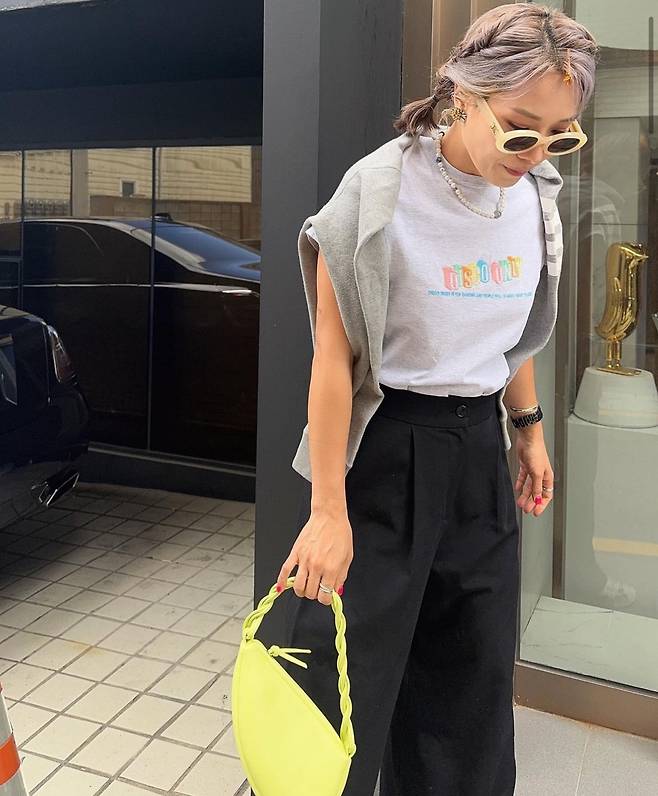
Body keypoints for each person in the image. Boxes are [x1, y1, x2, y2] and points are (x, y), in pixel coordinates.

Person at [277, 4, 599, 795]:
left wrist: (527, 430)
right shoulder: (378, 193)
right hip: (388, 448)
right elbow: (332, 361)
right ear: (463, 93)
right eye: (520, 131)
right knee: (342, 683)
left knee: (470, 684)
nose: (538, 153)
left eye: (561, 136)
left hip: (478, 453)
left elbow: (507, 331)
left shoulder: (535, 193)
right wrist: (327, 512)